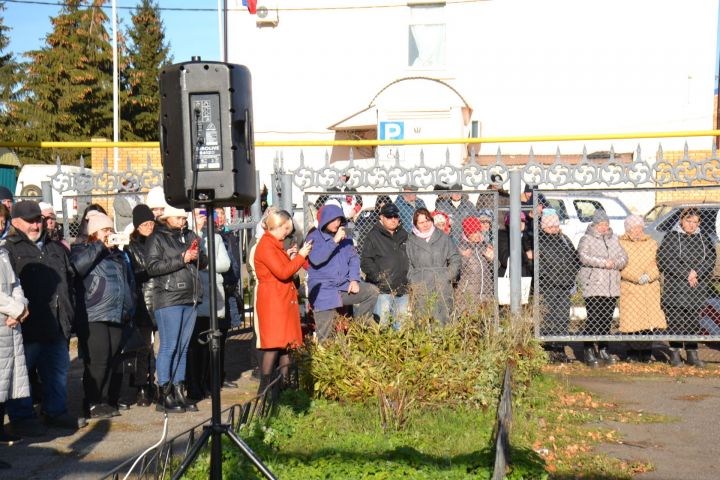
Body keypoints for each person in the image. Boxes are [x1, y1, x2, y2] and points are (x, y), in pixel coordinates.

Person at [4, 201, 86, 436]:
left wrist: (69, 314)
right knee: (22, 376)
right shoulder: (10, 248)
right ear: (16, 221)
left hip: (57, 323)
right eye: (30, 221)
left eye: (38, 220)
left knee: (57, 373)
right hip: (27, 325)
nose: (35, 225)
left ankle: (55, 412)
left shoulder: (55, 247)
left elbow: (69, 283)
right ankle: (21, 416)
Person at [71, 213, 134, 419]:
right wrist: (100, 246)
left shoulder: (116, 255)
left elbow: (126, 282)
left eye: (111, 230)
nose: (110, 233)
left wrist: (128, 306)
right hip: (93, 313)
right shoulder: (82, 249)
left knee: (112, 358)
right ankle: (92, 401)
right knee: (98, 359)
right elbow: (78, 268)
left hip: (116, 313)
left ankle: (106, 400)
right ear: (94, 233)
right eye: (105, 230)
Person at [146, 205, 207, 413]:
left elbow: (204, 263)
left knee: (183, 347)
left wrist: (198, 254)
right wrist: (182, 259)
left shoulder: (189, 235)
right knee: (169, 346)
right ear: (167, 218)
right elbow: (152, 267)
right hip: (169, 296)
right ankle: (164, 393)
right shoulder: (157, 238)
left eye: (184, 218)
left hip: (190, 297)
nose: (182, 221)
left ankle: (180, 390)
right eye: (178, 218)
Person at [254, 210, 312, 391]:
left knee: (286, 345)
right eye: (286, 229)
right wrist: (301, 256)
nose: (287, 233)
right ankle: (265, 389)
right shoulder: (266, 246)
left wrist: (290, 257)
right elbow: (283, 272)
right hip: (274, 302)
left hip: (281, 300)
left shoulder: (274, 245)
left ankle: (284, 388)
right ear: (278, 226)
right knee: (273, 344)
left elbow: (282, 268)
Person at [306, 204, 379, 341]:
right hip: (324, 291)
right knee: (326, 336)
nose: (337, 223)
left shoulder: (346, 235)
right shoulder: (313, 237)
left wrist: (354, 279)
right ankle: (324, 357)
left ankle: (359, 328)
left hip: (343, 286)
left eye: (339, 220)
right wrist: (334, 241)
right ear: (325, 220)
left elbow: (354, 259)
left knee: (371, 291)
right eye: (333, 220)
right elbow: (316, 259)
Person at [657, 207, 715, 367]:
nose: (691, 225)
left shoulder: (703, 237)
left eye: (695, 222)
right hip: (677, 287)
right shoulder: (671, 237)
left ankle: (692, 353)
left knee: (693, 322)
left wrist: (697, 272)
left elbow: (710, 258)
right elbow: (665, 260)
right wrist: (686, 273)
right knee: (675, 321)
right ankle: (675, 353)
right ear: (681, 221)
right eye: (688, 221)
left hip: (697, 287)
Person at [184, 208, 231, 405]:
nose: (201, 219)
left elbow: (224, 264)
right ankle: (193, 384)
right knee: (194, 344)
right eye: (197, 215)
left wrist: (202, 264)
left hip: (212, 295)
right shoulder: (186, 237)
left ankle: (207, 382)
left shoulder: (215, 239)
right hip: (193, 294)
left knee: (210, 342)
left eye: (203, 215)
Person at [577, 209, 628, 367]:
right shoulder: (587, 239)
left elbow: (624, 257)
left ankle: (604, 349)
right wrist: (603, 262)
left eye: (606, 224)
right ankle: (589, 350)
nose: (604, 227)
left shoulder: (614, 239)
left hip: (611, 286)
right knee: (595, 318)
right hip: (594, 285)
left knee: (606, 319)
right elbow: (582, 256)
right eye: (601, 224)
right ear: (594, 224)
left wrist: (615, 263)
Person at [617, 215, 667, 362]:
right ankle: (631, 351)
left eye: (639, 227)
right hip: (630, 287)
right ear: (628, 229)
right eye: (633, 228)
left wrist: (649, 275)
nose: (637, 231)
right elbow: (620, 265)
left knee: (647, 321)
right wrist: (635, 277)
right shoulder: (620, 244)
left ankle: (646, 351)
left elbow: (658, 263)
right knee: (631, 321)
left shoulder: (651, 243)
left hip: (649, 287)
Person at [123, 204, 158, 407]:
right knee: (143, 348)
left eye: (150, 223)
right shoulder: (131, 247)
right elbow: (137, 272)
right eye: (144, 224)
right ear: (137, 226)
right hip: (144, 300)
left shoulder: (158, 241)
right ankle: (142, 387)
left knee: (160, 348)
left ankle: (158, 384)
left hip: (160, 297)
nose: (148, 227)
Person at [537, 211, 581, 363]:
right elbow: (537, 264)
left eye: (555, 225)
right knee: (550, 318)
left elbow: (575, 258)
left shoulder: (564, 239)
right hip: (548, 286)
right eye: (550, 226)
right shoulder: (539, 240)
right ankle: (549, 351)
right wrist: (547, 276)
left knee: (563, 318)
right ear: (544, 227)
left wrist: (571, 275)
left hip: (564, 285)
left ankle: (560, 349)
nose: (554, 229)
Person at [406, 208, 461, 325]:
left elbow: (455, 258)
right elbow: (408, 263)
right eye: (421, 222)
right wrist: (413, 279)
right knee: (421, 322)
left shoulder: (444, 237)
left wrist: (447, 276)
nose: (425, 225)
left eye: (427, 221)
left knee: (442, 322)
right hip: (421, 285)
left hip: (441, 285)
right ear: (415, 224)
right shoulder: (410, 241)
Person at [360, 203, 410, 329]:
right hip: (383, 291)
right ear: (381, 217)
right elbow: (366, 261)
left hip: (402, 289)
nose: (393, 219)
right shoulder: (373, 236)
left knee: (401, 327)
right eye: (389, 216)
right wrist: (380, 278)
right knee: (382, 326)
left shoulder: (404, 234)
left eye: (395, 216)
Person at [0, 242, 29, 449]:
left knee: (4, 382)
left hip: (8, 323)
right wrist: (16, 309)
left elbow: (15, 284)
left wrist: (21, 307)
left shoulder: (3, 251)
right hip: (6, 317)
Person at [455, 216, 494, 316]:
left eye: (478, 231)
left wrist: (492, 259)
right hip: (468, 294)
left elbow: (496, 267)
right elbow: (457, 270)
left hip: (486, 292)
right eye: (473, 232)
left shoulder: (485, 245)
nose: (477, 235)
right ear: (468, 233)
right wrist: (464, 257)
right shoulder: (460, 247)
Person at [498, 212, 532, 277]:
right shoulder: (503, 236)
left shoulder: (524, 236)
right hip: (509, 278)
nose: (521, 223)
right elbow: (506, 260)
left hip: (523, 277)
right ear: (508, 223)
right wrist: (526, 256)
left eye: (523, 221)